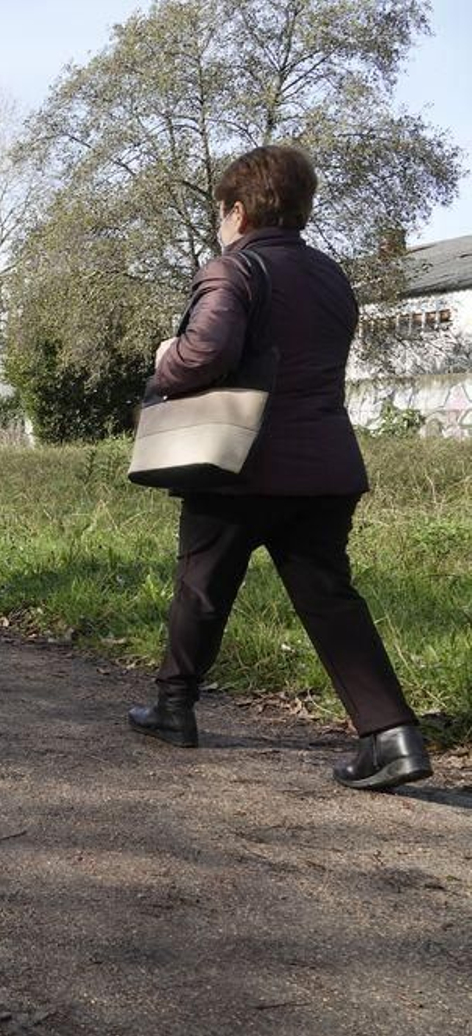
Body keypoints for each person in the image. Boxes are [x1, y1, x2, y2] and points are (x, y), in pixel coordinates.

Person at [128, 145, 432, 791]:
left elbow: (206, 351)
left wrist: (166, 356)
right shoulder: (331, 277)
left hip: (239, 462)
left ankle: (174, 708)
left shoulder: (232, 271)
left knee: (202, 586)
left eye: (221, 212)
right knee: (330, 600)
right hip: (326, 465)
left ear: (238, 211)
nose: (220, 225)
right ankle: (393, 736)